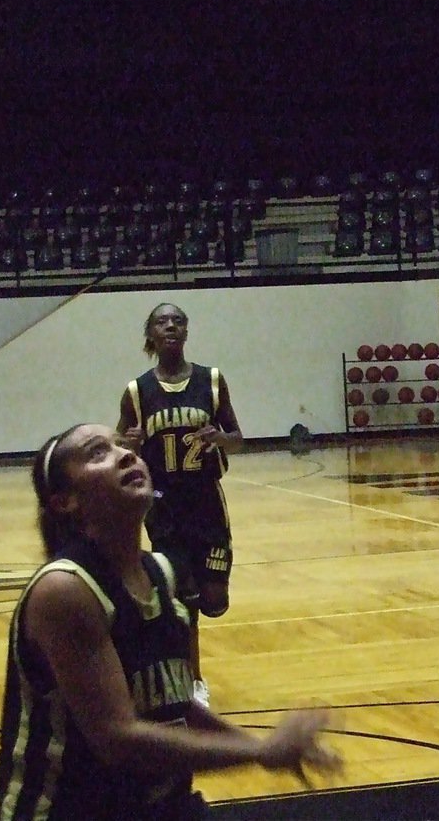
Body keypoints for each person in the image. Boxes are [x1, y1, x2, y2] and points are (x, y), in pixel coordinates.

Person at [0, 424, 341, 821]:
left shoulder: (161, 572)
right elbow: (117, 738)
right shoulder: (66, 590)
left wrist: (266, 749)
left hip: (161, 807)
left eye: (124, 446)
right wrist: (259, 752)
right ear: (64, 501)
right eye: (97, 453)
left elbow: (176, 705)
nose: (126, 455)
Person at [117, 303, 244, 709]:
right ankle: (193, 681)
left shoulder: (212, 380)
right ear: (150, 334)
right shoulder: (137, 392)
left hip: (207, 503)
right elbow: (120, 447)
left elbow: (238, 436)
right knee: (184, 599)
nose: (171, 326)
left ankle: (189, 673)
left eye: (178, 321)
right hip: (164, 507)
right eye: (161, 321)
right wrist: (129, 444)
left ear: (186, 332)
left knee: (214, 602)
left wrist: (220, 439)